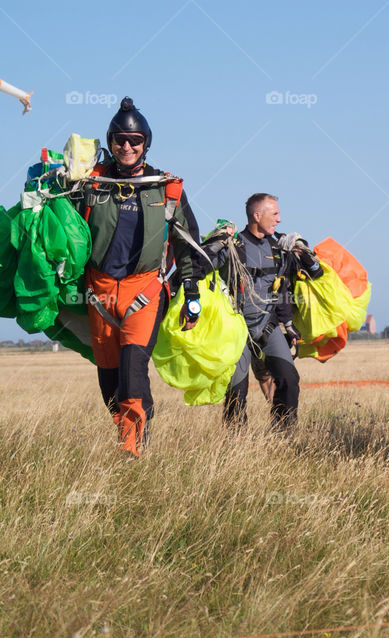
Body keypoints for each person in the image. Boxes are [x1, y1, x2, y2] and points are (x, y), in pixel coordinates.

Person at [74, 97, 202, 457]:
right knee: (110, 381)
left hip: (144, 290)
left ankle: (133, 453)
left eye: (135, 140)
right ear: (109, 142)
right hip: (98, 294)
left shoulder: (166, 188)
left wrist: (191, 293)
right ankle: (128, 435)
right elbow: (60, 233)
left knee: (132, 375)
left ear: (147, 142)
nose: (127, 147)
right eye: (119, 140)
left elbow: (187, 244)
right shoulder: (87, 183)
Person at [202, 193, 323, 432]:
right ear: (258, 215)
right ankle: (235, 439)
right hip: (238, 329)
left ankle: (283, 434)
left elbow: (314, 273)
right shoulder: (233, 245)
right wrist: (215, 242)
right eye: (275, 213)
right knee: (237, 390)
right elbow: (200, 265)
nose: (279, 219)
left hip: (268, 326)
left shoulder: (280, 246)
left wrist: (302, 248)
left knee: (289, 380)